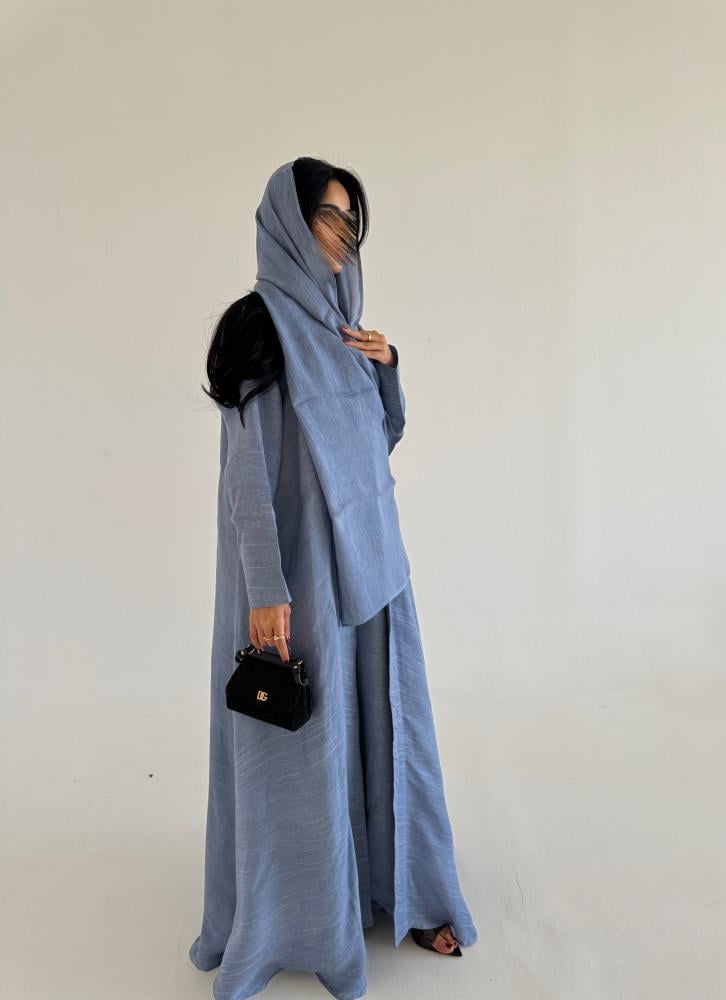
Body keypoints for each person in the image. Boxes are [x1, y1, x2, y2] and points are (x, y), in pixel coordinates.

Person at [189, 157, 478, 1000]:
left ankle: (403, 889)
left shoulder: (344, 328)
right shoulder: (258, 327)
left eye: (353, 223)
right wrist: (266, 588)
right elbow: (246, 476)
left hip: (373, 571)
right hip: (304, 577)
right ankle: (300, 920)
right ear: (288, 220)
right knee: (303, 745)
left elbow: (382, 440)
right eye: (328, 216)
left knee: (387, 729)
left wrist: (387, 365)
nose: (344, 237)